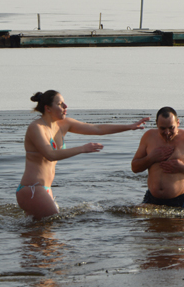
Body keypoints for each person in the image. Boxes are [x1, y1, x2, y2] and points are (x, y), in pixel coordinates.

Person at [18, 90, 149, 220]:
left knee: (41, 230)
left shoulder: (63, 124)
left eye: (64, 103)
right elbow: (50, 155)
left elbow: (97, 129)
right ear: (48, 108)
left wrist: (129, 126)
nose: (65, 106)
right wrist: (82, 148)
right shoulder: (36, 127)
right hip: (32, 188)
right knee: (54, 221)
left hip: (45, 189)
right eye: (60, 104)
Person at [131, 107, 184, 209]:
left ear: (178, 123)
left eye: (171, 128)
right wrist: (151, 158)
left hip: (179, 199)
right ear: (157, 124)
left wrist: (183, 167)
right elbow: (134, 167)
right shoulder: (148, 137)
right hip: (152, 197)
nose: (167, 132)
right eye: (163, 128)